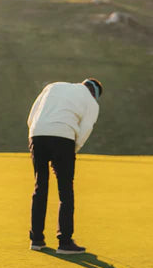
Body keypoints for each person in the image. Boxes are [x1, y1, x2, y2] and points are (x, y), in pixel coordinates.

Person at [26, 78, 103, 254]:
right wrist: (71, 152)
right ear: (95, 93)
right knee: (65, 190)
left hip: (37, 135)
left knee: (40, 186)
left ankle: (36, 239)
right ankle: (65, 242)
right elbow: (85, 128)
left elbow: (32, 116)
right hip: (63, 137)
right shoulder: (91, 102)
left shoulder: (53, 86)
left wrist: (36, 136)